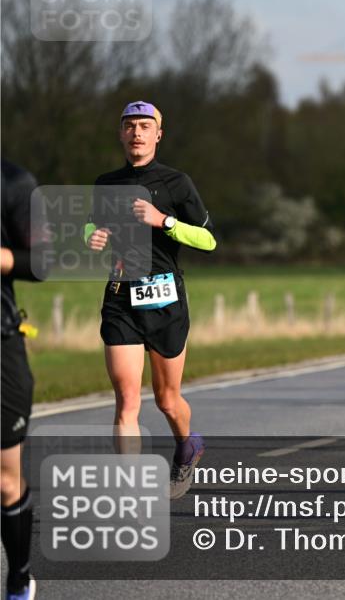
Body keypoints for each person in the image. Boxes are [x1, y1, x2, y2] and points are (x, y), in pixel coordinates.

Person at [86, 101, 217, 499]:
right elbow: (94, 223)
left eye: (145, 126)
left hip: (165, 298)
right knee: (127, 399)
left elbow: (209, 240)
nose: (137, 133)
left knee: (166, 399)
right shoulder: (105, 183)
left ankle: (187, 445)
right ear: (121, 134)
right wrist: (91, 235)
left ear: (159, 134)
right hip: (121, 296)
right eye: (129, 126)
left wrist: (165, 221)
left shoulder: (177, 183)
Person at [2, 161, 49, 600]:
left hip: (0, 347)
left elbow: (43, 262)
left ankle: (19, 576)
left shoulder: (14, 182)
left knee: (5, 480)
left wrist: (3, 258)